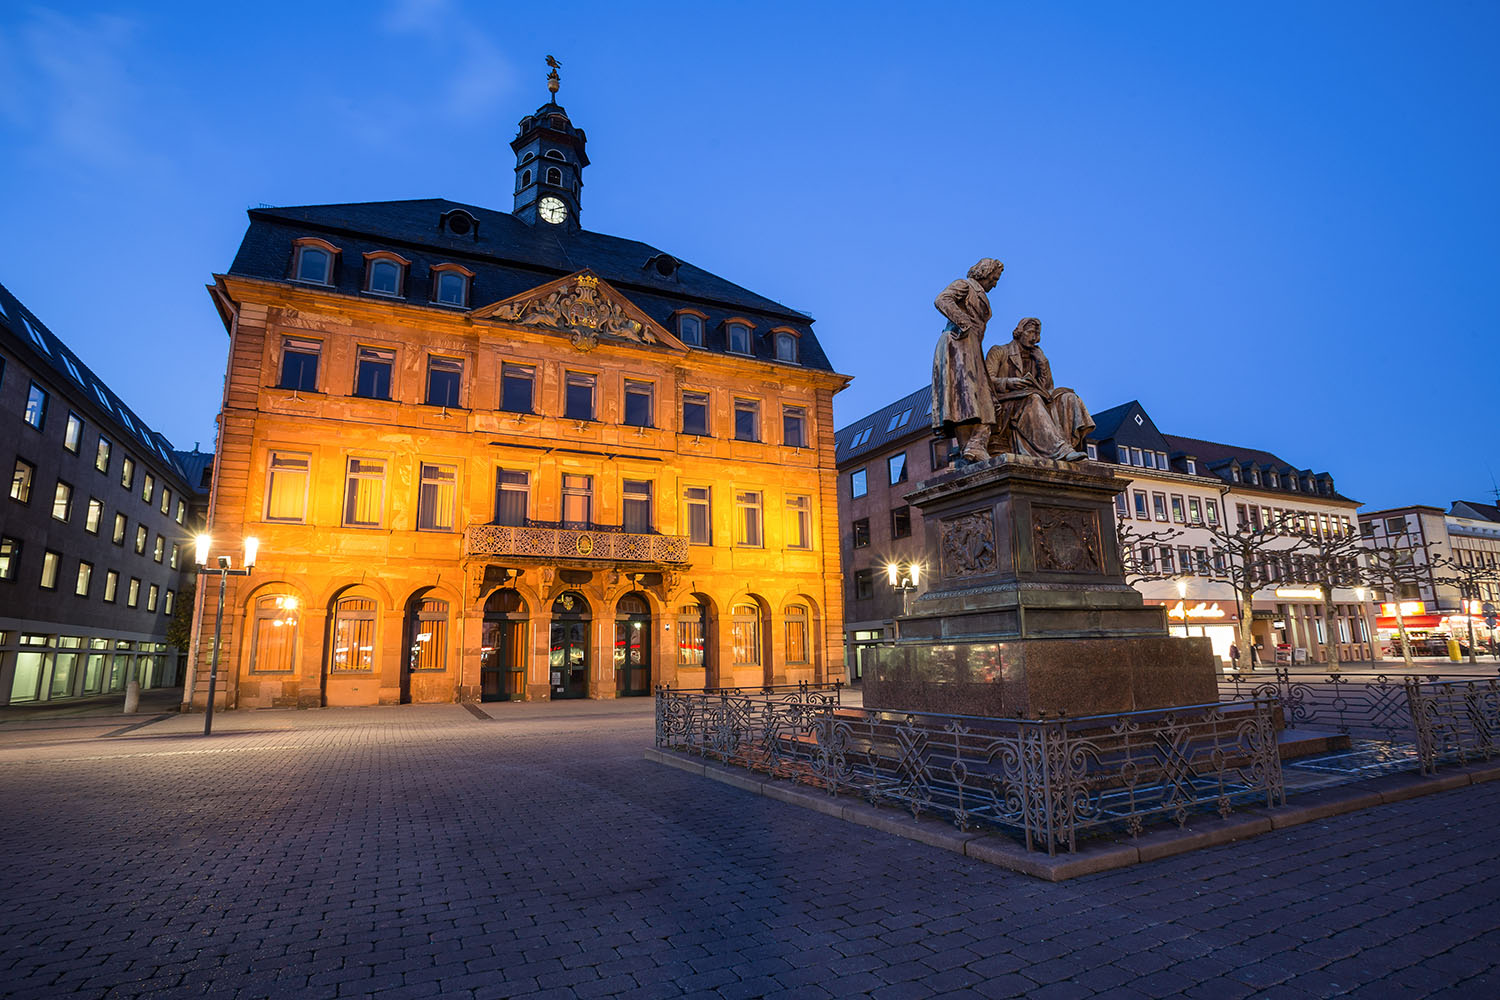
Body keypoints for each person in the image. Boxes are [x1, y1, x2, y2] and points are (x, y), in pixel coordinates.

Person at [984, 317, 1093, 461]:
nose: (1035, 338)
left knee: (1069, 398)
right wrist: (1008, 382)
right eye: (1030, 333)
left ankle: (1067, 447)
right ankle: (1061, 451)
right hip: (1006, 404)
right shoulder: (999, 351)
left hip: (1034, 400)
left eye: (1037, 334)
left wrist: (1042, 363)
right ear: (1019, 332)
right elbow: (985, 380)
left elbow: (1047, 390)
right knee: (1033, 398)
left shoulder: (1037, 357)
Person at [931, 258, 1004, 464]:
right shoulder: (965, 285)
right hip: (958, 344)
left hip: (970, 346)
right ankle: (972, 446)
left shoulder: (978, 292)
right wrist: (965, 324)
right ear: (984, 273)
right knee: (969, 398)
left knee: (967, 401)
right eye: (994, 278)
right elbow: (942, 300)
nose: (995, 283)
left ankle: (971, 448)